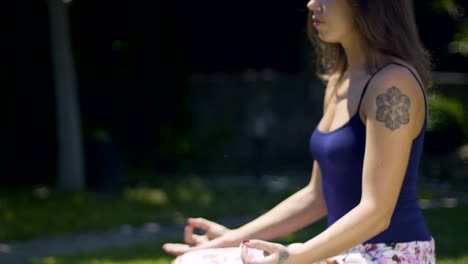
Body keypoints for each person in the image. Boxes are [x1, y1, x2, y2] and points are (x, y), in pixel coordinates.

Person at [163, 0, 436, 263]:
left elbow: (377, 212)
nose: (311, 4)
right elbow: (317, 197)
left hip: (393, 255)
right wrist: (232, 240)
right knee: (195, 260)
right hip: (342, 251)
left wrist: (297, 257)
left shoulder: (392, 85)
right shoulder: (340, 80)